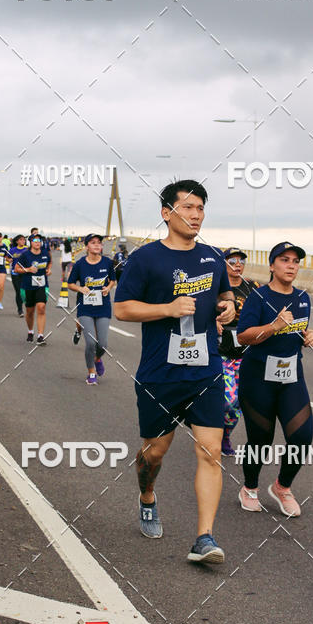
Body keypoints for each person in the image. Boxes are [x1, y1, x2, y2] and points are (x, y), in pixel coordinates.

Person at [114, 179, 235, 564]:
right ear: (167, 213)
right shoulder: (145, 259)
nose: (196, 215)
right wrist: (166, 309)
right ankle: (147, 496)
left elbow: (223, 292)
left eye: (201, 208)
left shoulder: (213, 257)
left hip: (206, 369)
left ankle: (204, 538)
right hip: (160, 373)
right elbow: (122, 309)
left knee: (211, 451)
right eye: (188, 208)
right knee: (154, 453)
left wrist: (228, 306)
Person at [236, 242, 313, 516]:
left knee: (303, 436)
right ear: (272, 265)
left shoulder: (303, 298)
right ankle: (249, 488)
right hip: (258, 376)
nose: (291, 265)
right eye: (284, 260)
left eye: (295, 261)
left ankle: (282, 487)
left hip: (291, 375)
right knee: (260, 439)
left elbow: (297, 333)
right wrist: (273, 326)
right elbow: (244, 336)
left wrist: (308, 337)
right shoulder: (258, 298)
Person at [217, 247, 259, 457]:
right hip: (220, 353)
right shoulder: (215, 288)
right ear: (223, 264)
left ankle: (225, 434)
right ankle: (209, 429)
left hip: (246, 355)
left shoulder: (253, 287)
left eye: (241, 260)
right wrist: (211, 322)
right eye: (232, 261)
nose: (237, 264)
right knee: (228, 399)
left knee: (240, 402)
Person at [68, 234, 116, 384]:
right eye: (93, 242)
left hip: (103, 307)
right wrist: (81, 288)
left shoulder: (108, 263)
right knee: (90, 343)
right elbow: (70, 283)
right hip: (85, 308)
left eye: (99, 243)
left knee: (102, 344)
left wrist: (108, 288)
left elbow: (113, 280)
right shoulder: (80, 264)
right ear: (87, 246)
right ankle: (91, 373)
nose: (97, 245)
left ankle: (96, 359)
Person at [16, 234, 51, 344]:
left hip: (42, 285)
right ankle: (30, 331)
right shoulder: (25, 255)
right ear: (30, 242)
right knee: (30, 312)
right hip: (28, 286)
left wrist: (48, 270)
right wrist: (28, 269)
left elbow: (49, 262)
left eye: (39, 240)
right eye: (35, 240)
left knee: (41, 307)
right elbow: (16, 269)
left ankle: (40, 336)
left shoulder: (45, 253)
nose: (37, 242)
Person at [8, 234, 27, 316]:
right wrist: (9, 259)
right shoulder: (12, 250)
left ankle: (27, 305)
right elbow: (7, 258)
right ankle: (20, 310)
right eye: (21, 239)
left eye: (24, 240)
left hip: (25, 272)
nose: (23, 241)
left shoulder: (27, 250)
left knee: (25, 291)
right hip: (15, 273)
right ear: (17, 241)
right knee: (18, 291)